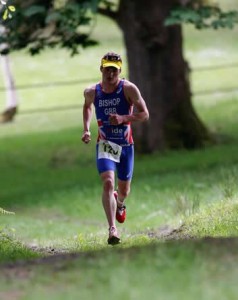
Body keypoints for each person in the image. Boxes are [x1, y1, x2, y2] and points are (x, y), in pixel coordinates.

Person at [82, 52, 149, 245]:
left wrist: (123, 118)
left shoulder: (128, 89)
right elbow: (87, 107)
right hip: (106, 144)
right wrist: (86, 129)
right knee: (107, 183)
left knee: (124, 190)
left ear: (119, 71)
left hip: (125, 144)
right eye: (107, 69)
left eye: (114, 70)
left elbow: (144, 114)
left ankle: (119, 204)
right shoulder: (91, 92)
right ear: (101, 69)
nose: (110, 74)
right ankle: (112, 229)